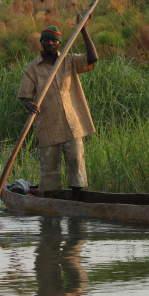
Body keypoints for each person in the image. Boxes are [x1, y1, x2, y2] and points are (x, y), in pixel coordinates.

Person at [18, 21, 98, 200]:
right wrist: (29, 104)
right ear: (41, 42)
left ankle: (76, 201)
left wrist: (84, 30)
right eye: (46, 40)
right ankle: (48, 205)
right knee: (48, 171)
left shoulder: (69, 61)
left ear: (59, 43)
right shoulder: (33, 68)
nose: (50, 43)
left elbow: (93, 58)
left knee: (76, 165)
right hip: (48, 126)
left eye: (53, 41)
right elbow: (25, 95)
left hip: (72, 125)